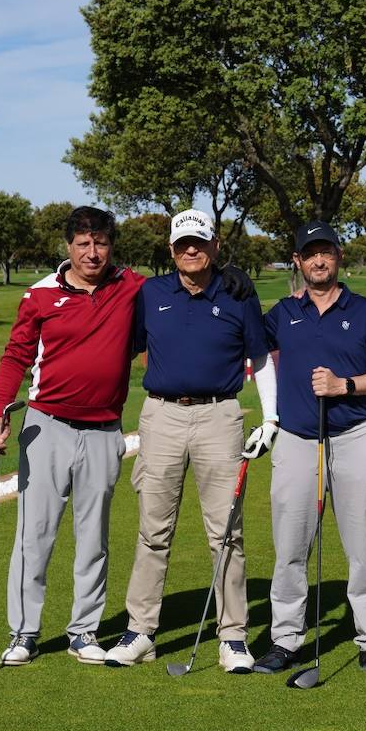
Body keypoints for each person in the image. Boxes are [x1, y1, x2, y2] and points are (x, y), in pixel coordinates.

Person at [104, 209, 278, 674]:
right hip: (160, 415)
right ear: (171, 250)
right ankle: (141, 631)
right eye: (182, 244)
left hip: (220, 416)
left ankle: (234, 637)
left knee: (226, 532)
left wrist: (273, 417)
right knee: (153, 529)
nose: (191, 251)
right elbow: (124, 344)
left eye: (199, 243)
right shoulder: (151, 293)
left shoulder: (238, 292)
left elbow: (259, 359)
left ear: (214, 246)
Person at [0, 206, 142, 667]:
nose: (92, 253)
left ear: (111, 246)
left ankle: (83, 631)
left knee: (93, 535)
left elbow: (186, 285)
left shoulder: (132, 286)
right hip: (45, 426)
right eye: (83, 244)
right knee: (34, 534)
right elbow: (15, 356)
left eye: (100, 244)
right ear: (68, 247)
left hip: (103, 430)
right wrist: (0, 413)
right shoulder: (39, 295)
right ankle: (23, 633)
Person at [253, 221, 366, 680]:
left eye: (327, 252)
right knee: (291, 547)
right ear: (297, 261)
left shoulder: (365, 312)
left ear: (339, 258)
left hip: (353, 435)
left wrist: (345, 386)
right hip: (298, 438)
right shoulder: (282, 313)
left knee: (364, 546)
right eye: (309, 253)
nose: (319, 260)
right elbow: (250, 348)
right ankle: (285, 640)